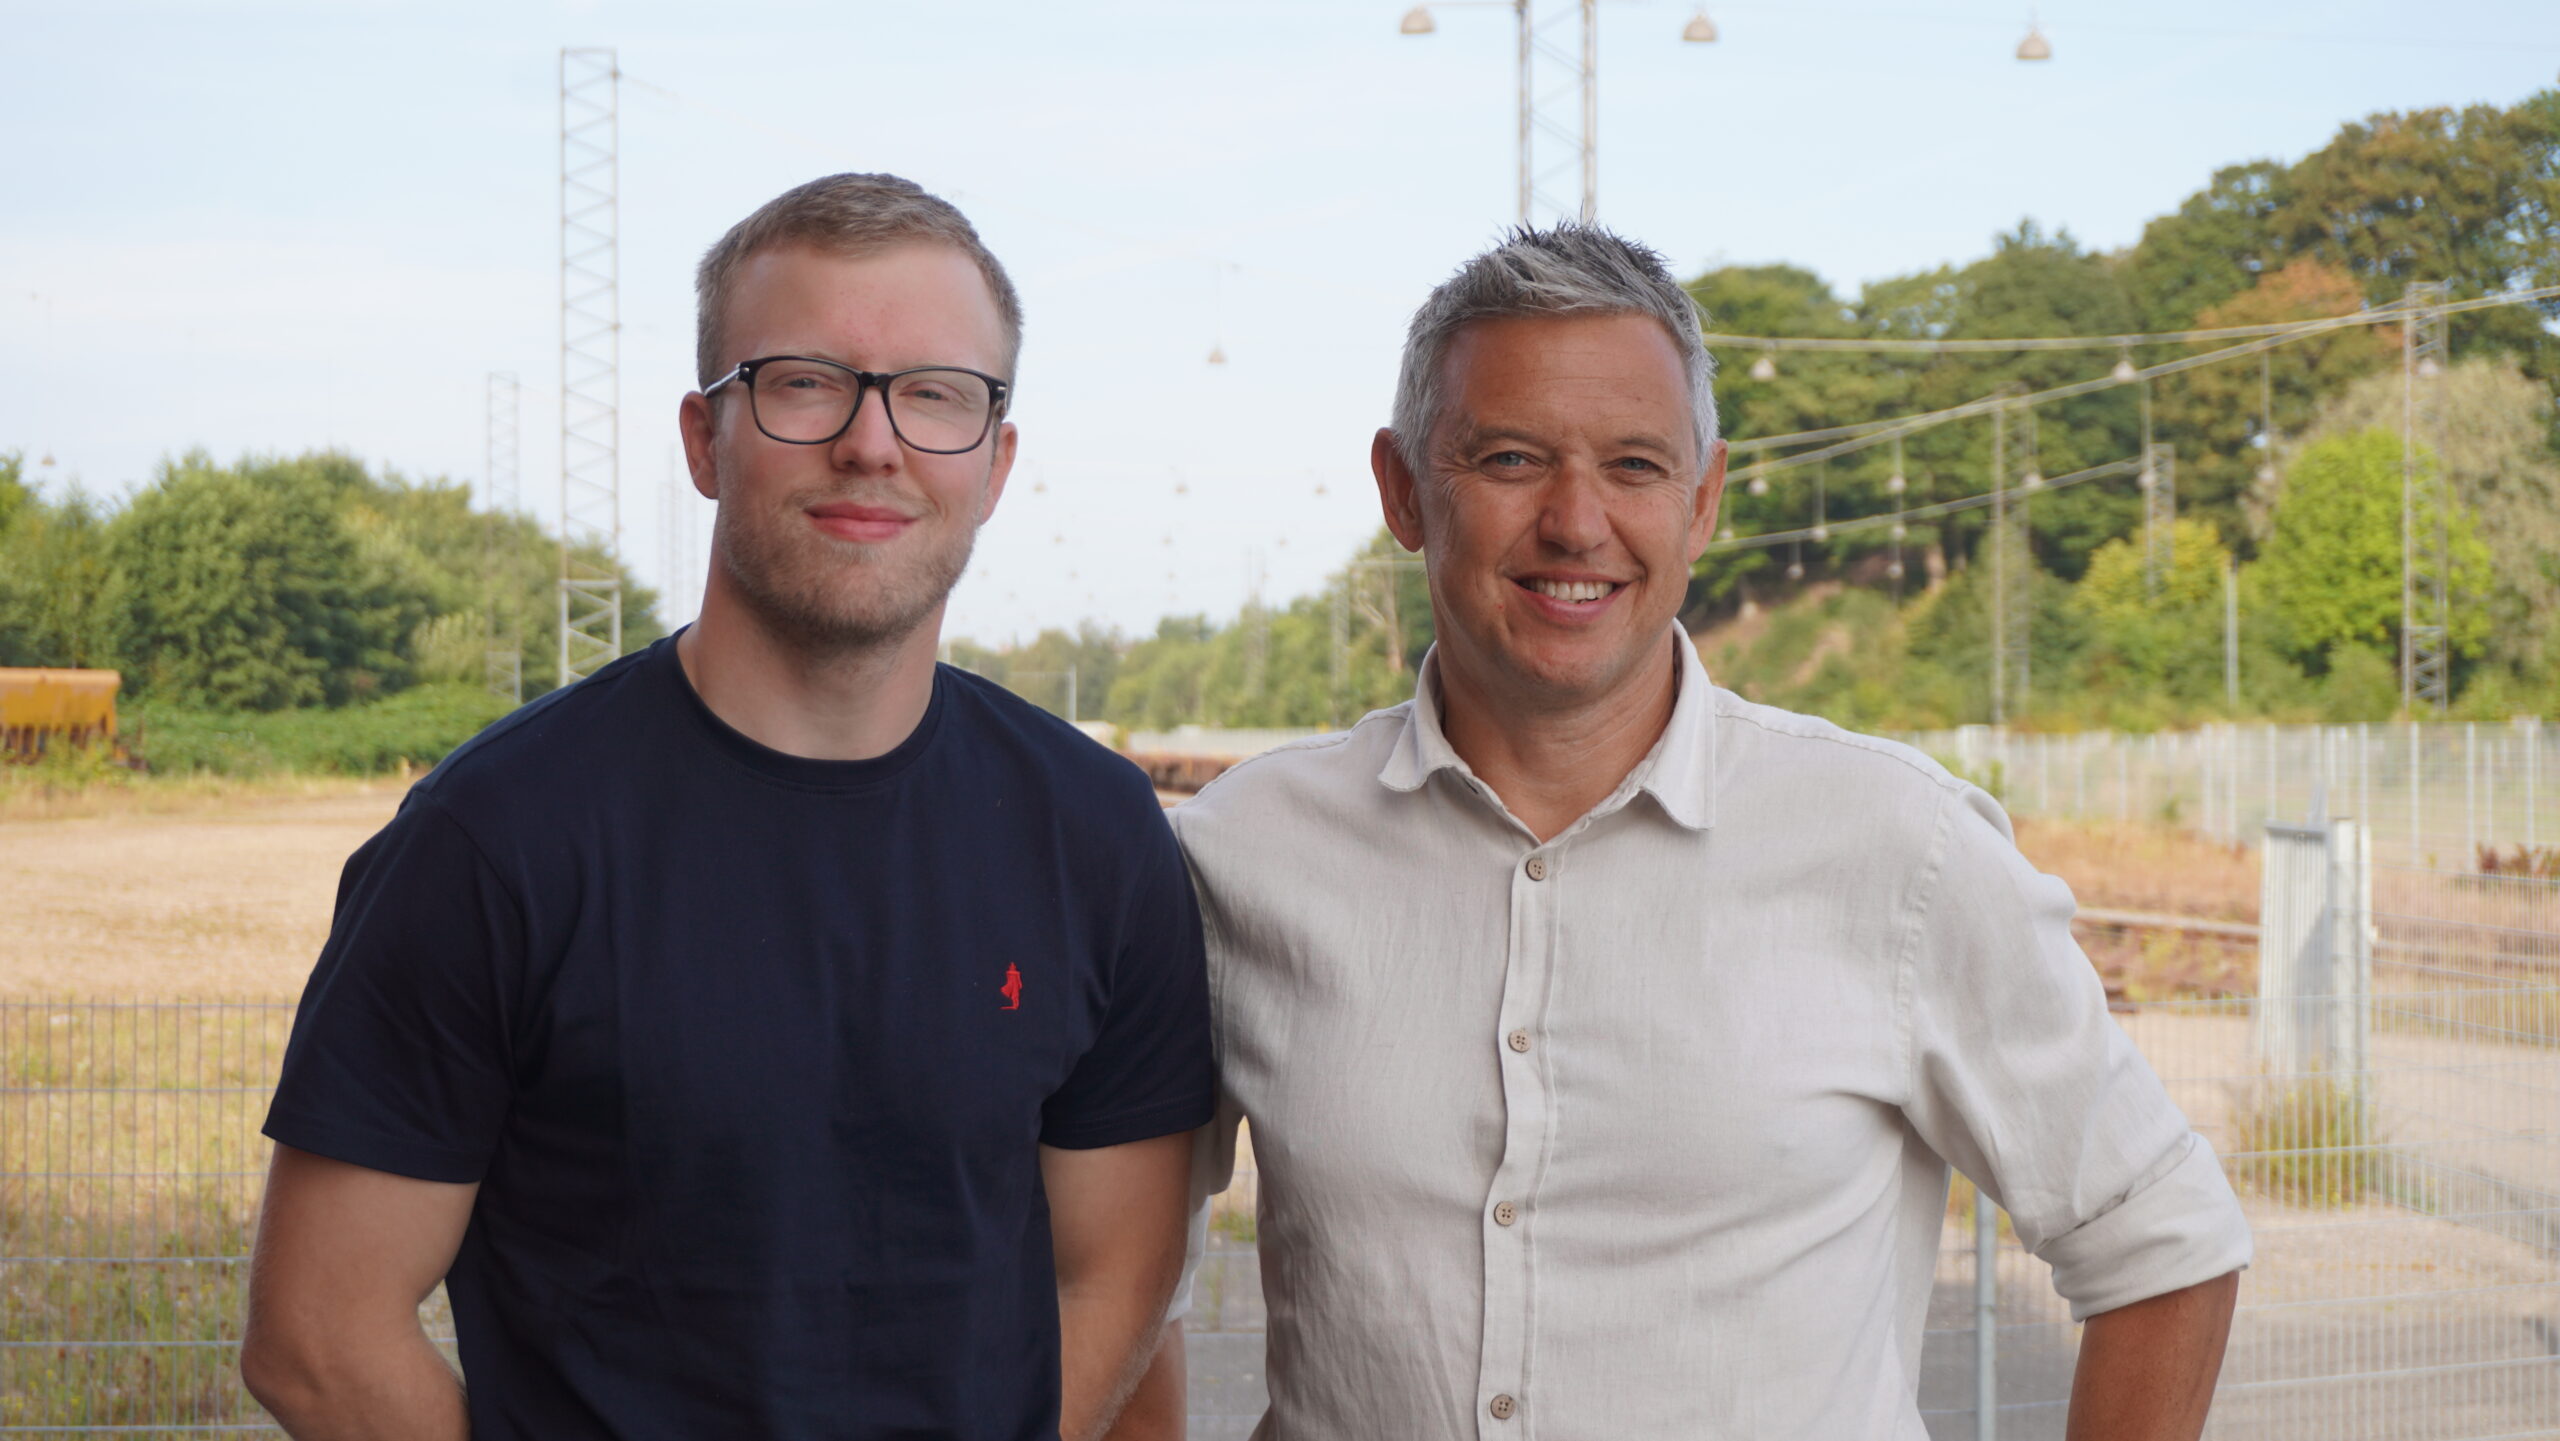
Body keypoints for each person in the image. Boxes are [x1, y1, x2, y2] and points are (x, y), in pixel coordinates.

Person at [1132, 224, 2249, 1439]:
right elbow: (1114, 1276)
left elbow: (2161, 1237)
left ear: (1703, 499)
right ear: (1403, 491)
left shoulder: (1899, 848)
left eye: (1634, 465)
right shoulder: (1241, 858)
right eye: (1510, 459)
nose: (1576, 522)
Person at [243, 173, 1212, 1441]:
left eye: (935, 394)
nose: (872, 443)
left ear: (995, 462)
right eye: (806, 382)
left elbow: (1116, 1279)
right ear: (706, 440)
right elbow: (319, 1336)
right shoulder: (495, 838)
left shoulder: (1098, 835)